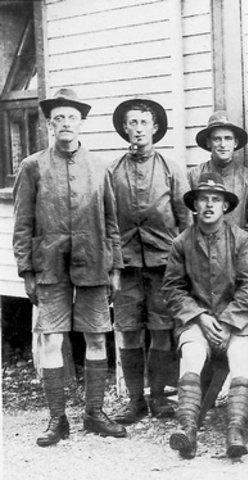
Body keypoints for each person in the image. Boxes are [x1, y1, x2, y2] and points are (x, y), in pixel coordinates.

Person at [13, 88, 126, 446]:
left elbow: (111, 222)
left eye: (71, 118)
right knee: (52, 338)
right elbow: (22, 224)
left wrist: (117, 267)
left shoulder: (99, 166)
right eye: (58, 118)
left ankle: (94, 414)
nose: (65, 124)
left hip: (94, 261)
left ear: (82, 124)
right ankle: (57, 420)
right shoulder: (32, 166)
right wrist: (26, 270)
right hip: (49, 264)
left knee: (96, 336)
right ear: (49, 124)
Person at [162, 173, 248, 459]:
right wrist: (200, 317)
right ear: (194, 205)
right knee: (191, 354)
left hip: (239, 321)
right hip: (197, 320)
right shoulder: (181, 243)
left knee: (241, 358)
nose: (208, 205)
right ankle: (188, 430)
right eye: (202, 199)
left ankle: (235, 432)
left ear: (225, 207)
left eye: (215, 200)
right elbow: (173, 288)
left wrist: (229, 323)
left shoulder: (242, 240)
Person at [109, 98, 191, 424]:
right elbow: (107, 220)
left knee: (161, 329)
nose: (139, 129)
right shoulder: (112, 171)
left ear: (154, 128)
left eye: (144, 123)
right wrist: (112, 264)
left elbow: (185, 222)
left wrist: (184, 265)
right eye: (133, 123)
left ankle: (158, 396)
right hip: (126, 264)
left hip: (164, 264)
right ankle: (134, 400)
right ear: (125, 128)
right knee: (128, 330)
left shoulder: (173, 168)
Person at [188, 111, 248, 238]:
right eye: (217, 139)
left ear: (235, 143)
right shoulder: (194, 176)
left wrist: (236, 245)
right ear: (209, 143)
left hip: (239, 252)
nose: (223, 145)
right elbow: (186, 219)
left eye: (228, 139)